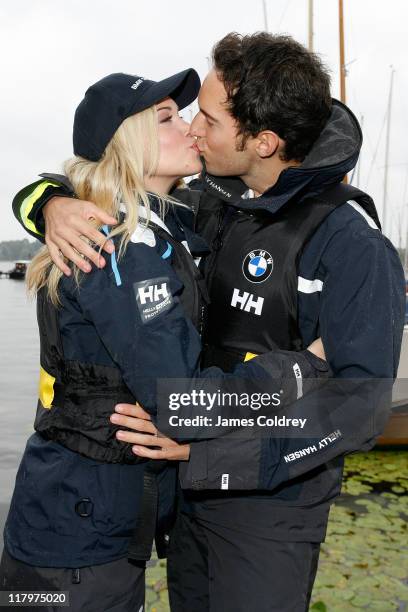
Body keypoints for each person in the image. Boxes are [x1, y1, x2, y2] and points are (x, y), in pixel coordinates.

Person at [11, 33, 405, 612]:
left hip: (266, 514)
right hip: (182, 504)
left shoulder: (353, 245)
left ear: (264, 141)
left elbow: (362, 407)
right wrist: (46, 205)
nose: (195, 127)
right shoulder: (213, 201)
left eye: (210, 120)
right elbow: (107, 180)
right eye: (186, 115)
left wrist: (207, 455)